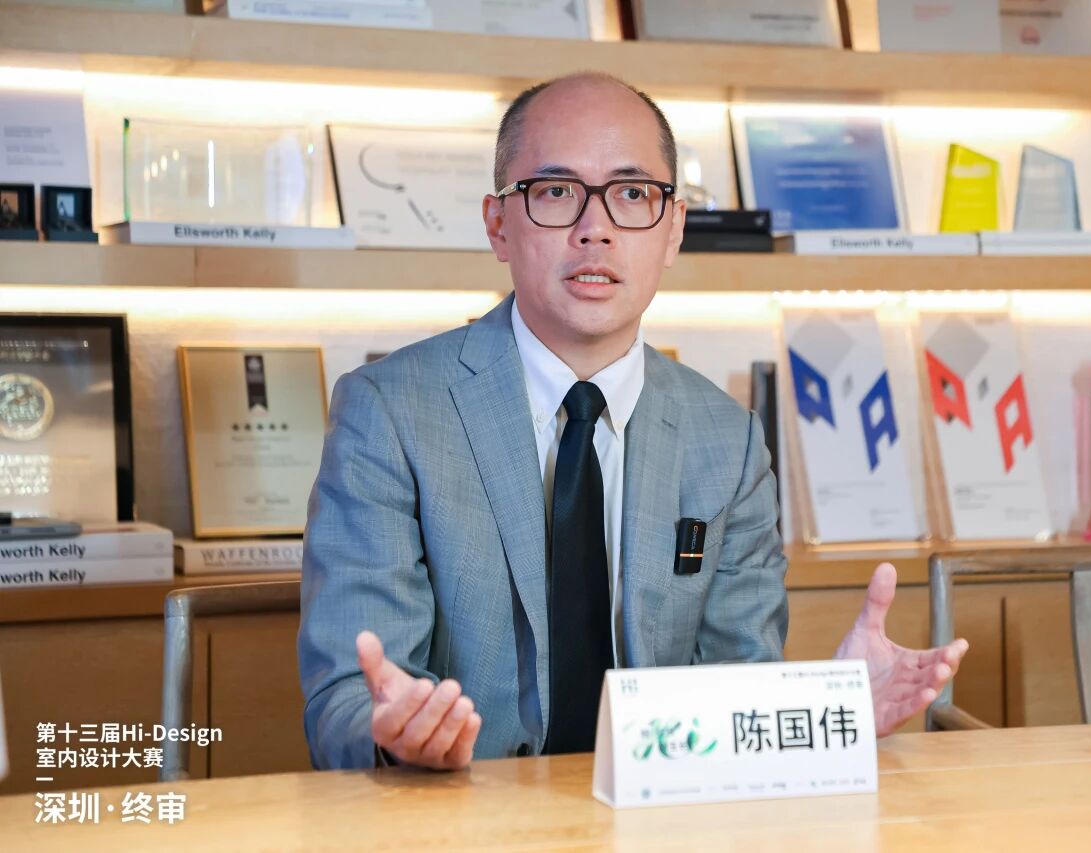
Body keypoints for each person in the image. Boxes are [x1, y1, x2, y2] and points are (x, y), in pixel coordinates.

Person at [298, 72, 969, 771]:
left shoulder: (728, 442)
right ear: (498, 224)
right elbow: (345, 698)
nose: (596, 228)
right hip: (462, 809)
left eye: (632, 194)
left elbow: (734, 697)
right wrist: (396, 734)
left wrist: (831, 708)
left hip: (659, 813)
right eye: (556, 191)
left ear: (673, 229)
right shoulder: (389, 412)